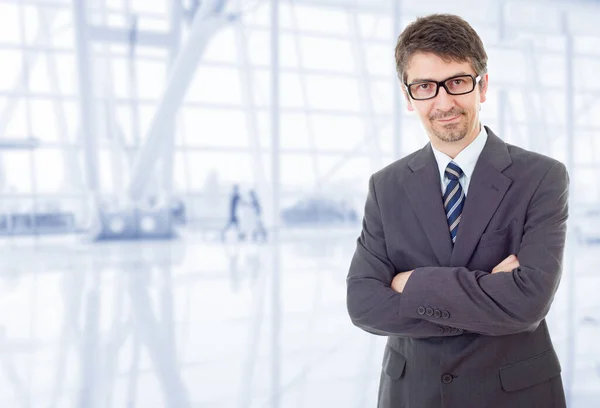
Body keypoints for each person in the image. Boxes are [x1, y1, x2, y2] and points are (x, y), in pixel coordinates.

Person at [346, 14, 569, 408]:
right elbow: (363, 303)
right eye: (426, 87)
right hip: (413, 392)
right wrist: (489, 291)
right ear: (407, 95)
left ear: (482, 86)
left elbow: (528, 303)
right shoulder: (386, 186)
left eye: (458, 82)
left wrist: (409, 283)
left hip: (515, 394)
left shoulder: (542, 177)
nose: (444, 102)